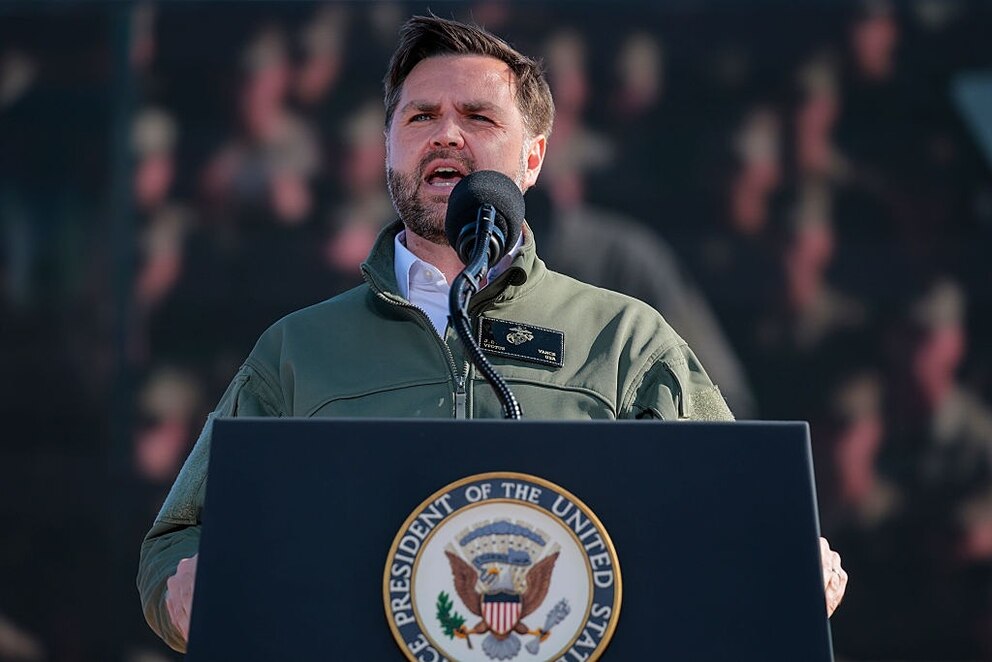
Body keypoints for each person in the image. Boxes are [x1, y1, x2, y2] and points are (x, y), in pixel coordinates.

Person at [137, 15, 848, 652]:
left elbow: (735, 514)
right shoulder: (296, 350)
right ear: (389, 148)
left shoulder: (625, 340)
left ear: (533, 158)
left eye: (478, 116)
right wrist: (185, 590)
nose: (445, 133)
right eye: (420, 116)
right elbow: (178, 540)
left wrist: (786, 564)